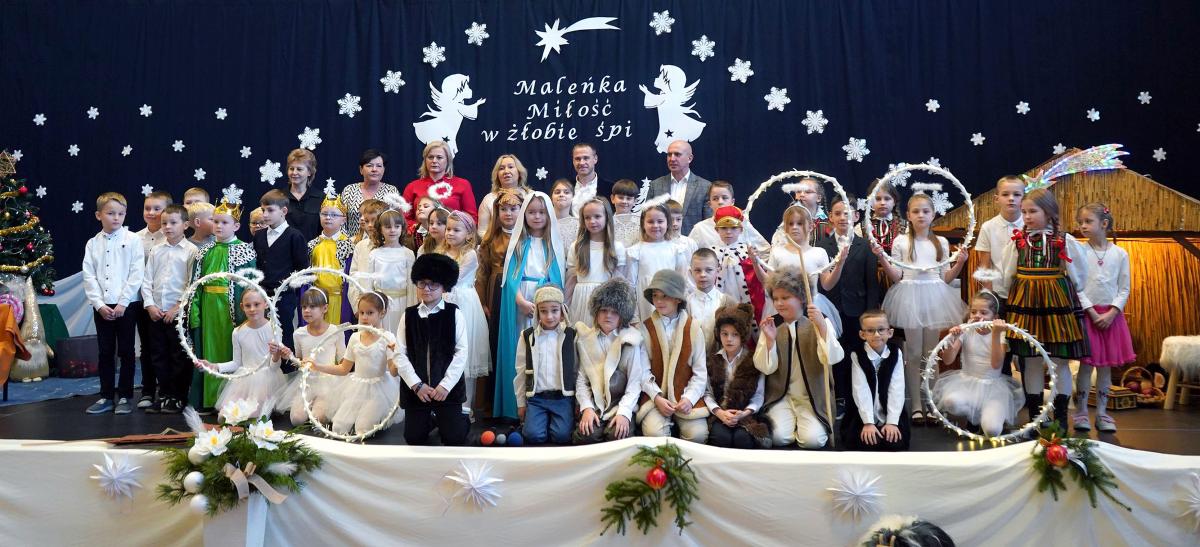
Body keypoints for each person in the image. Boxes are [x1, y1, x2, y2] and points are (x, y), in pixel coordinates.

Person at [1000, 189, 1091, 430]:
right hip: (1026, 304)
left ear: (1049, 212)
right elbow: (1008, 274)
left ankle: (1060, 419)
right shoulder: (1018, 241)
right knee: (1030, 360)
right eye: (1024, 212)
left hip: (1056, 304)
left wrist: (1063, 290)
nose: (1027, 216)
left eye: (1033, 211)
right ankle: (1035, 418)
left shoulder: (1064, 240)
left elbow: (1079, 275)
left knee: (1059, 361)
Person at [874, 193, 967, 424]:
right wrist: (882, 258)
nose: (921, 215)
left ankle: (931, 402)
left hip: (935, 298)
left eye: (926, 211)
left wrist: (960, 263)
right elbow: (897, 276)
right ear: (908, 215)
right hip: (910, 298)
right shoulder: (901, 242)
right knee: (914, 353)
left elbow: (945, 277)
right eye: (916, 211)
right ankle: (916, 404)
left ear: (933, 215)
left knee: (931, 353)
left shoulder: (940, 243)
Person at [754, 267, 845, 449]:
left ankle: (804, 424)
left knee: (813, 440)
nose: (779, 303)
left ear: (802, 298)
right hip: (782, 396)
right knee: (779, 438)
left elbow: (833, 358)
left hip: (812, 398)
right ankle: (791, 423)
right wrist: (770, 342)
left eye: (785, 298)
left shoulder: (820, 321)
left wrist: (822, 328)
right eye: (776, 298)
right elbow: (765, 368)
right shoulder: (772, 324)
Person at [495, 192, 565, 420]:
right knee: (521, 350)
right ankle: (517, 405)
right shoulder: (518, 244)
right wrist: (521, 302)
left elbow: (557, 277)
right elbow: (509, 279)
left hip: (544, 301)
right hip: (521, 301)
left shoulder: (552, 244)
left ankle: (540, 403)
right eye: (532, 212)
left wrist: (544, 303)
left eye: (542, 212)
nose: (537, 217)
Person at [188, 192, 256, 412]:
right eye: (216, 221)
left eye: (224, 222)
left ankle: (231, 400)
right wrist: (195, 312)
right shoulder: (204, 251)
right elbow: (196, 284)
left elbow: (249, 284)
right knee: (209, 351)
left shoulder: (245, 250)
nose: (218, 226)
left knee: (232, 350)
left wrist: (246, 314)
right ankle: (210, 399)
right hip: (209, 308)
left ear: (236, 226)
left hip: (232, 310)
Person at [394, 254, 471, 446]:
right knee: (414, 438)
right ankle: (432, 420)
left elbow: (461, 352)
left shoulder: (454, 313)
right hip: (418, 391)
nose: (426, 289)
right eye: (422, 283)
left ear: (444, 286)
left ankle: (460, 420)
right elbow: (399, 354)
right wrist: (416, 385)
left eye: (433, 284)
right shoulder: (409, 315)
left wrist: (446, 385)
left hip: (447, 390)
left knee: (454, 438)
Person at [303, 292, 403, 437]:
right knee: (338, 427)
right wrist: (317, 366)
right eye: (361, 313)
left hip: (379, 389)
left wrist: (397, 356)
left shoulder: (387, 338)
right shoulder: (355, 337)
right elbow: (344, 369)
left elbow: (393, 372)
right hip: (357, 386)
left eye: (370, 313)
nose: (364, 317)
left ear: (382, 313)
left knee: (362, 429)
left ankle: (375, 415)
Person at [818, 194, 881, 419]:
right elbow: (822, 284)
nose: (843, 218)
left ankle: (861, 398)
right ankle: (841, 398)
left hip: (858, 311)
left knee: (859, 353)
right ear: (831, 217)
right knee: (837, 355)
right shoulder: (822, 247)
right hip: (832, 310)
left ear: (856, 216)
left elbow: (871, 283)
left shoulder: (865, 246)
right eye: (837, 213)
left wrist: (870, 314)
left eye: (847, 213)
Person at [82, 192, 146, 415]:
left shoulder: (133, 240)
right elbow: (89, 276)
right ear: (99, 215)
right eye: (110, 213)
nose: (116, 218)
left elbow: (136, 273)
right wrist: (99, 304)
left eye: (121, 213)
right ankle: (106, 396)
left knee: (127, 352)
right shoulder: (92, 243)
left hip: (126, 305)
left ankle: (125, 396)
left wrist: (123, 302)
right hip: (102, 307)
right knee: (105, 352)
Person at [1073, 203, 1134, 433]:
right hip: (1088, 317)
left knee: (1106, 368)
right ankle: (1081, 412)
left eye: (1088, 221)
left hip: (1111, 318)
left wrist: (1112, 312)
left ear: (1104, 223)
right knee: (1086, 367)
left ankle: (1102, 413)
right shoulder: (1079, 252)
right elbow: (1077, 286)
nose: (1083, 226)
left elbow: (1124, 288)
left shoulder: (1120, 254)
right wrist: (1090, 311)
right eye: (1081, 222)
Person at [932, 292, 1022, 437]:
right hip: (967, 384)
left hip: (993, 388)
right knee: (950, 402)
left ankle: (987, 415)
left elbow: (996, 364)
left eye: (983, 312)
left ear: (995, 317)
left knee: (992, 431)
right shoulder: (966, 329)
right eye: (973, 312)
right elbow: (948, 360)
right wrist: (953, 339)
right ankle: (974, 416)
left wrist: (995, 334)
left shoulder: (1000, 333)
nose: (977, 316)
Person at [636, 270, 709, 443]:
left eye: (665, 296)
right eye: (655, 296)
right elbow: (642, 371)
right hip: (655, 396)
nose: (659, 301)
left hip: (685, 395)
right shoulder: (645, 328)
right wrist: (657, 398)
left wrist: (689, 398)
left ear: (677, 299)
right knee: (654, 434)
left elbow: (700, 373)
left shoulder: (693, 328)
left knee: (697, 435)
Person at [139, 204, 197, 414]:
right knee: (158, 356)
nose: (168, 227)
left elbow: (192, 284)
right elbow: (147, 280)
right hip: (156, 313)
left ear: (186, 225)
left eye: (173, 223)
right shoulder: (156, 250)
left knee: (178, 356)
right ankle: (164, 395)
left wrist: (177, 308)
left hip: (177, 314)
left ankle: (178, 396)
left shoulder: (191, 251)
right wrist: (150, 305)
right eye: (164, 223)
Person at [574, 278, 647, 444]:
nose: (608, 315)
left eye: (614, 312)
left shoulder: (631, 340)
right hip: (595, 404)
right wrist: (587, 407)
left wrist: (624, 412)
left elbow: (635, 382)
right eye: (604, 310)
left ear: (623, 315)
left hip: (620, 403)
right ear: (596, 312)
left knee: (618, 435)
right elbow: (581, 380)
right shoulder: (585, 340)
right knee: (587, 435)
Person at [197, 290, 287, 415]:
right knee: (225, 416)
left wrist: (276, 354)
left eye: (257, 304)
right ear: (242, 307)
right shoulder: (238, 332)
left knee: (252, 416)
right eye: (248, 305)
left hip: (267, 380)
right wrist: (215, 366)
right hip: (245, 379)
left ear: (266, 304)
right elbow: (236, 363)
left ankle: (265, 409)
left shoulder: (274, 329)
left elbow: (274, 367)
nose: (252, 309)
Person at [438, 211, 491, 418]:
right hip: (443, 303)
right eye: (448, 229)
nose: (450, 233)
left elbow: (451, 279)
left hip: (464, 305)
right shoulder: (442, 252)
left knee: (465, 356)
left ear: (468, 234)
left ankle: (465, 408)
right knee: (445, 354)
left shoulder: (470, 255)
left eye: (456, 230)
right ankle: (444, 405)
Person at [974, 175, 1026, 376]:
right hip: (999, 295)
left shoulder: (1028, 224)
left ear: (1023, 198)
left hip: (1024, 295)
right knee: (1002, 344)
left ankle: (1029, 390)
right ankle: (1004, 385)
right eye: (1006, 194)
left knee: (1025, 345)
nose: (1011, 198)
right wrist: (991, 300)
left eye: (1017, 194)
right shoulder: (988, 227)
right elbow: (985, 265)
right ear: (997, 199)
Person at [767, 205, 845, 337]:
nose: (794, 227)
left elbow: (827, 285)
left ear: (810, 226)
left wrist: (840, 264)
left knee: (814, 339)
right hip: (785, 305)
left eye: (799, 223)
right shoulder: (777, 252)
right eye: (790, 224)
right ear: (785, 227)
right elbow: (768, 282)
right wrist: (756, 263)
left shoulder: (819, 253)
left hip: (812, 304)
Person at [476, 188, 522, 414]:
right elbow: (482, 273)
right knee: (495, 342)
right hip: (496, 292)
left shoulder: (526, 238)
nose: (508, 213)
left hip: (519, 292)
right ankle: (494, 404)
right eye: (503, 209)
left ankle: (518, 402)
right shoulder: (490, 239)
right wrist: (483, 301)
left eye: (513, 209)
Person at [274, 288, 346, 426]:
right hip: (307, 381)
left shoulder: (335, 331)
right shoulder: (299, 334)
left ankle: (321, 407)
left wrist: (321, 367)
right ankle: (311, 405)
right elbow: (301, 362)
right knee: (296, 419)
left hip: (328, 382)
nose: (307, 310)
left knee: (318, 418)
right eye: (304, 307)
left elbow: (343, 364)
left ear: (325, 308)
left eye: (312, 307)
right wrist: (289, 357)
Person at [514, 286, 577, 444]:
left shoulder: (571, 335)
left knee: (562, 436)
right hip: (537, 399)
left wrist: (578, 402)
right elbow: (521, 371)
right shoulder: (527, 336)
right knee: (533, 436)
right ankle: (537, 422)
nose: (549, 316)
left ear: (562, 311)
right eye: (543, 311)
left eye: (554, 310)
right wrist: (521, 403)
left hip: (562, 398)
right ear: (537, 312)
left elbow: (577, 370)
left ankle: (552, 423)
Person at [842, 310, 910, 451]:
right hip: (863, 414)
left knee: (894, 443)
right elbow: (860, 389)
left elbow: (896, 388)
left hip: (889, 414)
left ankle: (888, 426)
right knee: (868, 443)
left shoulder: (895, 353)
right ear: (862, 334)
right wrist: (868, 423)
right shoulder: (857, 354)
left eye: (881, 330)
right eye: (870, 331)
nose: (877, 335)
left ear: (890, 332)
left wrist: (892, 422)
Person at [705, 303, 770, 449]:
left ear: (743, 335)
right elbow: (708, 393)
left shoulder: (754, 360)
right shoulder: (712, 360)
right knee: (720, 438)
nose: (729, 339)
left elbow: (758, 396)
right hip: (720, 414)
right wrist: (720, 413)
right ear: (718, 334)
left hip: (746, 415)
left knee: (742, 439)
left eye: (735, 334)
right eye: (725, 334)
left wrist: (744, 413)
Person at [254, 189, 308, 352]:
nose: (265, 214)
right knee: (262, 334)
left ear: (284, 211)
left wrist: (290, 288)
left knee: (284, 333)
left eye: (270, 210)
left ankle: (286, 365)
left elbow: (302, 269)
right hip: (262, 295)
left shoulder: (294, 236)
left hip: (285, 296)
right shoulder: (259, 236)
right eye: (263, 210)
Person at [565, 197, 626, 330]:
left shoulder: (617, 247)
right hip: (581, 301)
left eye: (597, 216)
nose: (592, 221)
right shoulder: (576, 247)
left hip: (606, 304)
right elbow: (571, 281)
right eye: (587, 217)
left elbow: (620, 284)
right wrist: (564, 307)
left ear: (607, 217)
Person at [134, 191, 170, 410]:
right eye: (147, 208)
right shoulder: (135, 238)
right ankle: (147, 390)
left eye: (157, 208)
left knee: (165, 349)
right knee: (146, 348)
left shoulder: (171, 236)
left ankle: (167, 391)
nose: (151, 212)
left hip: (166, 303)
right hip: (143, 301)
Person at [626, 200, 688, 321]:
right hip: (645, 306)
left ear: (667, 223)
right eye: (650, 222)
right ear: (643, 224)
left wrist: (681, 308)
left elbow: (683, 281)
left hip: (671, 304)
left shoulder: (676, 250)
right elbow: (630, 286)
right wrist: (634, 317)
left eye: (660, 221)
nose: (655, 225)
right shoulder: (635, 252)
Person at [709, 206, 768, 320]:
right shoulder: (711, 254)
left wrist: (754, 261)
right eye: (724, 228)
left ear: (741, 230)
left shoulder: (748, 252)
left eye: (733, 228)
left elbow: (758, 283)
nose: (728, 232)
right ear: (717, 230)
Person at [308, 185, 355, 325]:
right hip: (317, 300)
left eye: (334, 215)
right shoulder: (312, 245)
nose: (328, 218)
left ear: (343, 220)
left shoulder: (348, 246)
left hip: (339, 300)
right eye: (324, 214)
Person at [366, 208, 416, 333]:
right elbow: (369, 284)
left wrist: (410, 310)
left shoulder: (408, 254)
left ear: (402, 228)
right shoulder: (374, 254)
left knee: (399, 335)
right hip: (379, 304)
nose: (392, 230)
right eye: (388, 227)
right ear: (380, 229)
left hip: (401, 303)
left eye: (397, 226)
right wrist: (369, 308)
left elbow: (411, 286)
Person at [402, 141, 477, 224]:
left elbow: (471, 218)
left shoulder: (463, 184)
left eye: (439, 157)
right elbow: (403, 219)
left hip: (451, 231)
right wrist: (420, 229)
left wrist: (452, 228)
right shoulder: (412, 187)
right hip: (419, 231)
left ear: (448, 160)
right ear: (425, 161)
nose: (434, 161)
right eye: (430, 157)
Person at [646, 140, 712, 234]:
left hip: (693, 241)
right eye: (669, 155)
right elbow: (647, 218)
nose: (672, 159)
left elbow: (708, 224)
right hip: (661, 240)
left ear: (689, 158)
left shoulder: (705, 187)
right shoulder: (655, 185)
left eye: (677, 154)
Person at [687, 180, 770, 254]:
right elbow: (688, 256)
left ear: (732, 202)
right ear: (710, 204)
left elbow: (765, 251)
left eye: (724, 198)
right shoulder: (700, 229)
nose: (720, 202)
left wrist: (753, 263)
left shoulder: (743, 224)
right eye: (715, 199)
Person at [341, 149, 401, 237]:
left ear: (384, 169)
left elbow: (396, 222)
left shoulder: (391, 191)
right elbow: (341, 221)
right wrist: (346, 242)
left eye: (379, 166)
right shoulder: (349, 190)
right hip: (352, 242)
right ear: (361, 169)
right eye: (369, 166)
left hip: (382, 242)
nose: (374, 169)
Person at [686, 248, 735, 347]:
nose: (703, 275)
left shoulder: (729, 303)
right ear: (691, 272)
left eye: (709, 270)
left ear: (718, 270)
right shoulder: (685, 304)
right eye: (697, 270)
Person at [347, 198, 387, 312]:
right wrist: (357, 307)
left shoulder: (392, 247)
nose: (369, 225)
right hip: (365, 307)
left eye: (373, 221)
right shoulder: (361, 246)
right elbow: (353, 279)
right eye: (367, 221)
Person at [476, 154, 530, 236]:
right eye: (501, 168)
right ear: (497, 174)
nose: (506, 171)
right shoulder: (488, 199)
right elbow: (482, 232)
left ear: (519, 172)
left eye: (511, 167)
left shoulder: (530, 196)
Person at [279, 149, 325, 241]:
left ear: (309, 172)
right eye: (291, 169)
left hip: (313, 249)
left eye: (299, 169)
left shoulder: (321, 198)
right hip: (284, 249)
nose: (294, 172)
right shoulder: (279, 197)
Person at [569, 143, 613, 217]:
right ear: (573, 161)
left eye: (586, 158)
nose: (581, 162)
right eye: (577, 159)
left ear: (595, 159)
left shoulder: (610, 188)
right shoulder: (565, 188)